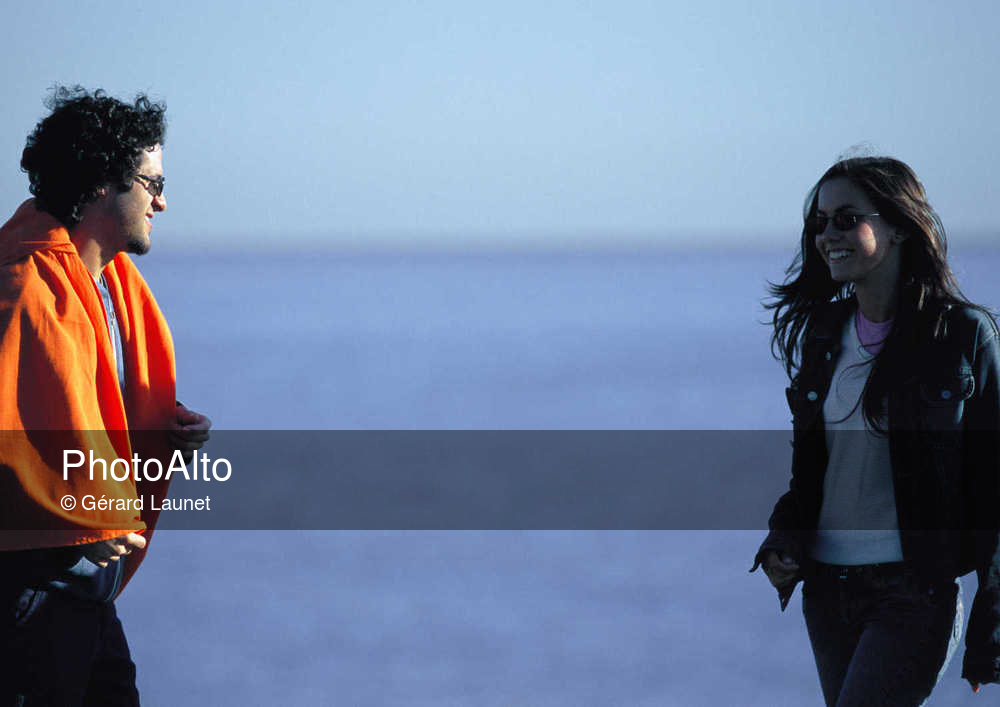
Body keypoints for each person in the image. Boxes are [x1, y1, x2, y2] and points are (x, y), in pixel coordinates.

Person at [750, 155, 1000, 705]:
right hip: (827, 592)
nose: (828, 236)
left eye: (846, 219)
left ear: (898, 226)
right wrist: (782, 542)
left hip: (912, 594)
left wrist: (992, 627)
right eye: (820, 223)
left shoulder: (964, 337)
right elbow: (814, 477)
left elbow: (993, 489)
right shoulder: (823, 336)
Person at [0, 87, 211, 704]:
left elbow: (75, 399)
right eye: (152, 184)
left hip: (85, 588)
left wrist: (164, 426)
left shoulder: (109, 283)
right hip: (30, 589)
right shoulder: (21, 286)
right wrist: (76, 515)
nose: (162, 201)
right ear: (100, 183)